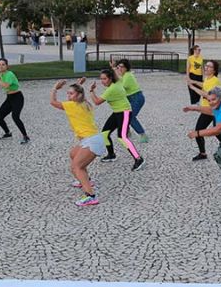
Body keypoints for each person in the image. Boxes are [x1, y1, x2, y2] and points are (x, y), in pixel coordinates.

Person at [50, 79, 104, 207]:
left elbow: (52, 102)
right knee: (73, 153)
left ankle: (90, 196)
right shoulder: (85, 104)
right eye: (67, 94)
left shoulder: (72, 106)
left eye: (71, 94)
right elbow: (80, 94)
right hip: (91, 139)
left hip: (92, 141)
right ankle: (85, 180)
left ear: (79, 95)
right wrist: (79, 85)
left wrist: (55, 88)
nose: (68, 96)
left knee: (76, 167)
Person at [89, 68, 144, 171]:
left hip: (125, 112)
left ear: (110, 78)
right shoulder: (117, 81)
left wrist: (91, 91)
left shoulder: (112, 89)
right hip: (117, 112)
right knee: (104, 133)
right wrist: (113, 67)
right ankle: (111, 155)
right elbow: (116, 74)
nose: (102, 81)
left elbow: (97, 102)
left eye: (104, 79)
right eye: (101, 79)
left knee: (122, 137)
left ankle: (138, 159)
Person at [185, 60, 221, 161]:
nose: (206, 68)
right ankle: (203, 153)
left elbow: (207, 95)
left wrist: (192, 87)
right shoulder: (208, 79)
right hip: (207, 110)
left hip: (215, 110)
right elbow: (205, 85)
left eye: (209, 67)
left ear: (214, 70)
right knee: (198, 131)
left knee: (218, 133)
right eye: (206, 66)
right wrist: (195, 82)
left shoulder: (215, 81)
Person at [0, 58, 30, 144]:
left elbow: (5, 85)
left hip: (17, 97)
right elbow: (0, 75)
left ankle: (26, 136)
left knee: (15, 117)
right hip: (9, 98)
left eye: (3, 64)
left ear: (7, 66)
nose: (1, 66)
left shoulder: (10, 74)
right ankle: (8, 133)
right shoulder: (2, 74)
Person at [113, 58, 148, 143]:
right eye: (118, 67)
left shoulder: (128, 76)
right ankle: (127, 132)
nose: (120, 69)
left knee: (130, 117)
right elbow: (118, 80)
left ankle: (143, 135)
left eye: (122, 67)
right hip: (130, 98)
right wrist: (114, 69)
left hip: (136, 98)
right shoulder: (124, 76)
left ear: (126, 68)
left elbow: (121, 88)